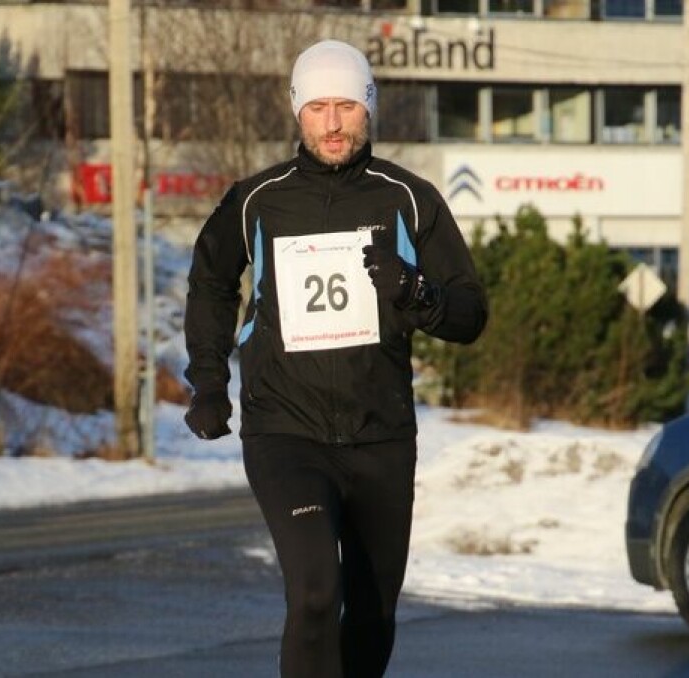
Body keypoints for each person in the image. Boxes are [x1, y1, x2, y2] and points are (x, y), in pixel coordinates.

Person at [183, 38, 487, 678]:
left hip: (380, 434)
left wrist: (415, 290)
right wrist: (209, 384)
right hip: (286, 431)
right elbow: (211, 282)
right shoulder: (257, 201)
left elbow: (469, 311)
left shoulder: (407, 198)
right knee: (318, 593)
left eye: (346, 105)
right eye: (317, 105)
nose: (331, 122)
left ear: (368, 107)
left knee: (373, 615)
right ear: (297, 111)